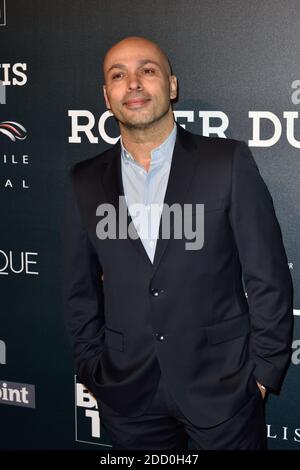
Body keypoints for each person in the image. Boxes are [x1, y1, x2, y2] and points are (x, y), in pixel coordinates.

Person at [62, 36, 293, 450]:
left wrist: (262, 376)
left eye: (147, 70)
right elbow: (78, 291)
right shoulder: (84, 180)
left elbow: (268, 277)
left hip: (222, 389)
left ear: (171, 86)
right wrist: (91, 367)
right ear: (106, 95)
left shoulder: (227, 162)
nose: (132, 83)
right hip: (127, 395)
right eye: (118, 75)